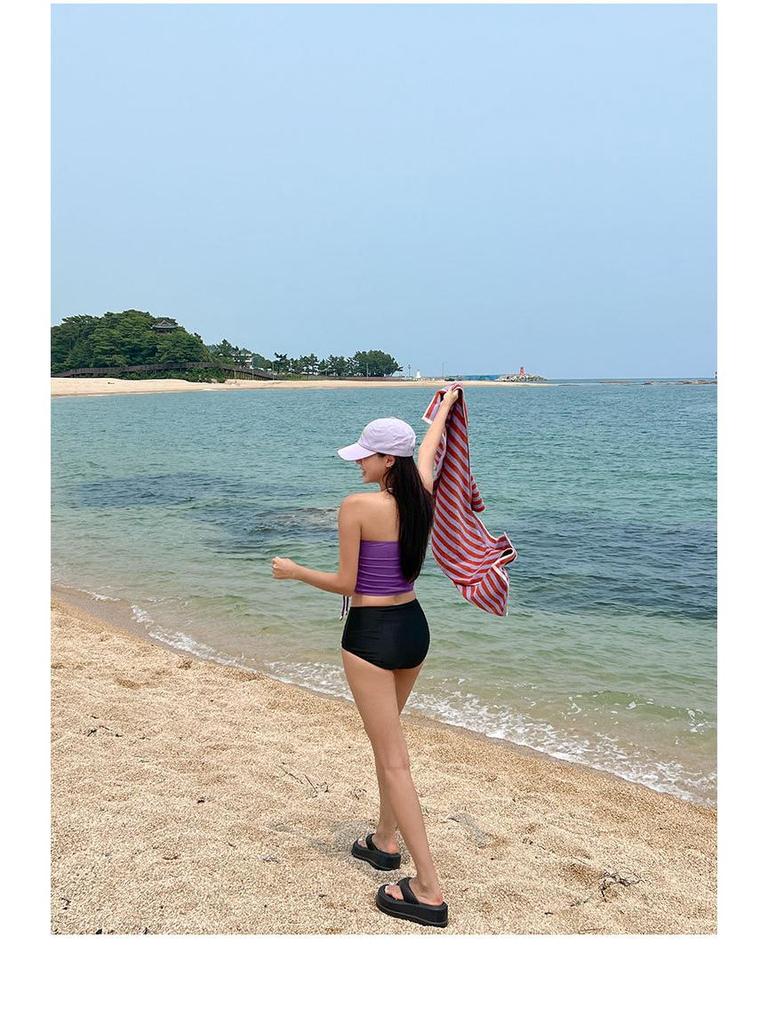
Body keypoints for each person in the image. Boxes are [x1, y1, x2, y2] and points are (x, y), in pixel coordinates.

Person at [271, 389, 460, 928]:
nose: (358, 464)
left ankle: (428, 890)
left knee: (394, 760)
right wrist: (446, 405)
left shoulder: (358, 507)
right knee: (388, 743)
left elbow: (347, 583)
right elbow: (430, 448)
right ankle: (384, 840)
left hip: (371, 637)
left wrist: (294, 572)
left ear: (387, 460)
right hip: (414, 629)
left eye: (365, 456)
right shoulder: (422, 492)